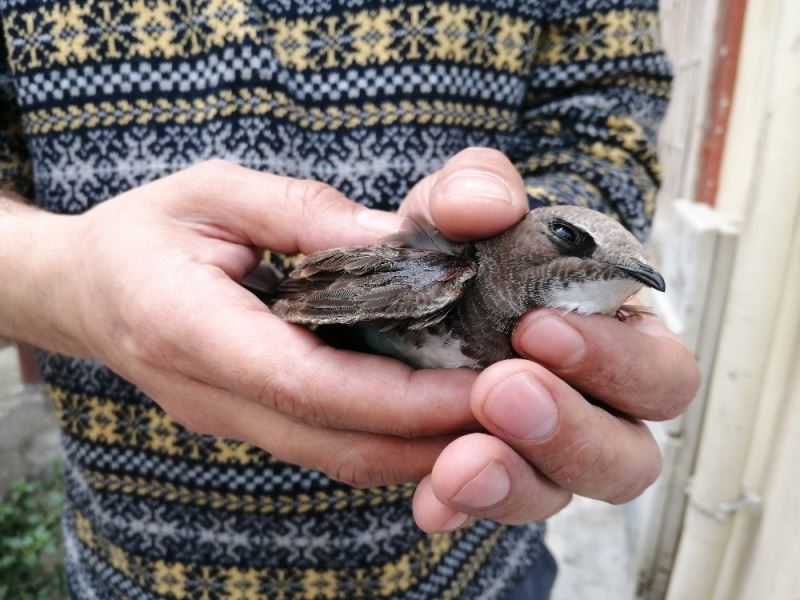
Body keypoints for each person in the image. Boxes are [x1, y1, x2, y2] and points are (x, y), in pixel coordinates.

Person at [0, 0, 699, 598]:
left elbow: (608, 126)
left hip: (466, 569)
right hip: (130, 566)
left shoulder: (537, 295)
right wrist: (68, 280)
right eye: (573, 244)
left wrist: (517, 217)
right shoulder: (442, 276)